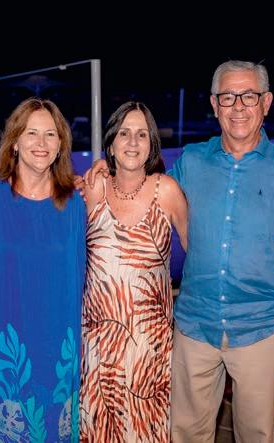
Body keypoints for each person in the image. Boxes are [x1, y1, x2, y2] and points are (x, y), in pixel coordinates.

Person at [85, 61, 274, 442]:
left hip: (260, 329)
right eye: (228, 97)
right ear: (215, 105)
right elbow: (147, 190)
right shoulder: (192, 162)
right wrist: (109, 167)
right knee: (186, 434)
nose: (238, 106)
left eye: (249, 96)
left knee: (255, 435)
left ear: (266, 103)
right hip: (194, 329)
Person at [0, 98, 86, 443]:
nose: (41, 143)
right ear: (14, 140)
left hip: (53, 346)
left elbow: (78, 278)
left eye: (50, 134)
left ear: (61, 145)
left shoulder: (74, 203)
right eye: (31, 133)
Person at [79, 101, 188, 442]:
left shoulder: (166, 191)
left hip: (149, 350)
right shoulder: (94, 189)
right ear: (110, 144)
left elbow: (200, 257)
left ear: (151, 144)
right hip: (98, 348)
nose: (132, 142)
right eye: (124, 133)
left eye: (142, 134)